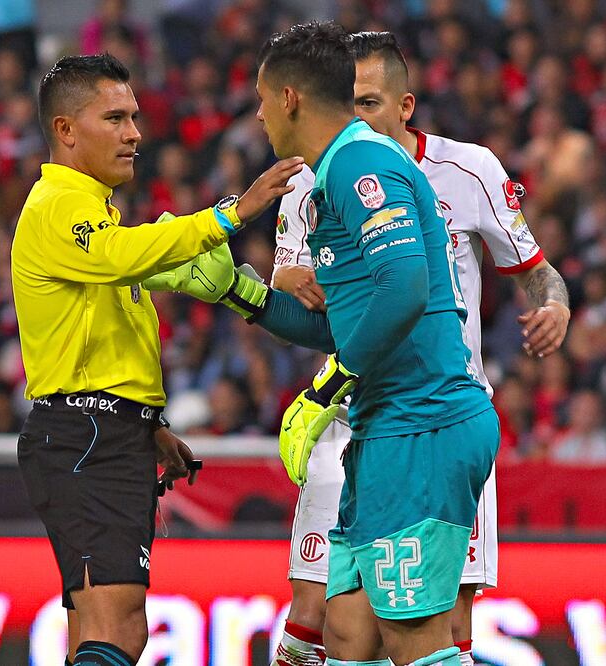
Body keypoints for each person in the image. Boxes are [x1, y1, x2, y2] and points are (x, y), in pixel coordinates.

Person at [145, 22, 499, 666]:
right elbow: (345, 318)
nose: (256, 114)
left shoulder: (361, 164)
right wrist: (239, 293)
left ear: (288, 98)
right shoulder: (333, 172)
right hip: (389, 428)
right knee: (346, 638)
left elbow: (403, 290)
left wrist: (327, 387)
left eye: (259, 99)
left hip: (425, 423)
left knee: (418, 642)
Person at [268, 31, 571, 666]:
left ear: (405, 107)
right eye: (345, 102)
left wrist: (556, 302)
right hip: (350, 418)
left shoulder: (467, 170)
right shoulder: (307, 185)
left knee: (439, 622)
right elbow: (303, 295)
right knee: (330, 623)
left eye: (370, 103)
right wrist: (241, 289)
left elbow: (533, 266)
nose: (355, 118)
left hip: (430, 413)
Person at [10, 53, 302, 666]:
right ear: (66, 131)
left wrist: (148, 424)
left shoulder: (88, 211)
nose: (134, 133)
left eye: (135, 117)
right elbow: (123, 256)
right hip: (87, 434)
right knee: (118, 629)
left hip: (100, 429)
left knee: (98, 627)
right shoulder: (58, 207)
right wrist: (232, 213)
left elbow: (105, 331)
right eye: (114, 118)